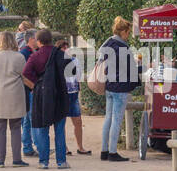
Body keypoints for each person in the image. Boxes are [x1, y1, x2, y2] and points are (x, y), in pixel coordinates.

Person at [24, 29, 70, 169]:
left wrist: (37, 83)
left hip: (42, 94)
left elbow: (25, 72)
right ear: (51, 39)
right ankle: (61, 161)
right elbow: (71, 70)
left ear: (38, 41)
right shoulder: (61, 54)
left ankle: (44, 161)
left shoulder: (35, 56)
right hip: (60, 93)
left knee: (42, 129)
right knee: (60, 129)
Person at [97, 17, 140, 162]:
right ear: (123, 32)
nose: (128, 36)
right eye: (128, 33)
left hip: (109, 86)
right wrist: (142, 67)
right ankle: (113, 152)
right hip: (120, 87)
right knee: (117, 120)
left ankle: (104, 150)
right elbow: (130, 69)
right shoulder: (122, 47)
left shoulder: (108, 44)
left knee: (108, 118)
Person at [0, 31, 28, 167]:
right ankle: (16, 159)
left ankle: (0, 160)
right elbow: (23, 72)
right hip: (14, 94)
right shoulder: (19, 56)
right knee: (15, 128)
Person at [55, 38, 90, 154]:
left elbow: (78, 75)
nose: (66, 50)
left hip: (73, 93)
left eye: (67, 47)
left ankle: (80, 147)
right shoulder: (56, 61)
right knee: (61, 123)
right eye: (63, 48)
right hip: (62, 94)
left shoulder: (74, 60)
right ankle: (63, 147)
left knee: (78, 121)